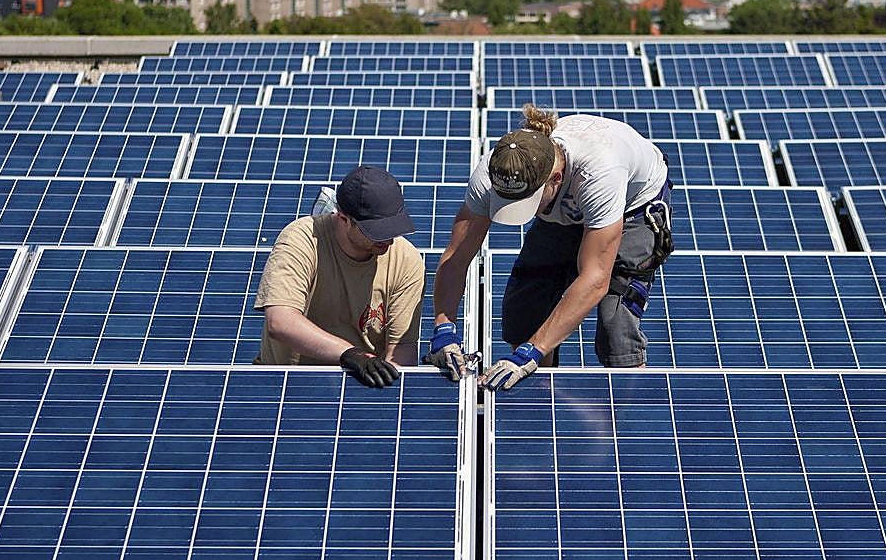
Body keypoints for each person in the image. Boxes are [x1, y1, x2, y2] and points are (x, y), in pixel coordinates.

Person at [428, 104, 673, 389]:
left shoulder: (599, 174)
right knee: (525, 314)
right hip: (564, 208)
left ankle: (627, 417)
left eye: (527, 203)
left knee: (615, 329)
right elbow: (457, 257)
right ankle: (542, 409)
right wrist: (443, 327)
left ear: (554, 179)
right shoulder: (495, 172)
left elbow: (595, 279)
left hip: (631, 209)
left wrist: (532, 353)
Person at [254, 165, 426, 387]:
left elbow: (400, 349)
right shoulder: (302, 240)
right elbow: (280, 321)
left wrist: (391, 393)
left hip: (361, 384)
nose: (389, 239)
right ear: (343, 219)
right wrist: (349, 354)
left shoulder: (406, 259)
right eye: (377, 231)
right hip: (288, 382)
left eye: (393, 227)